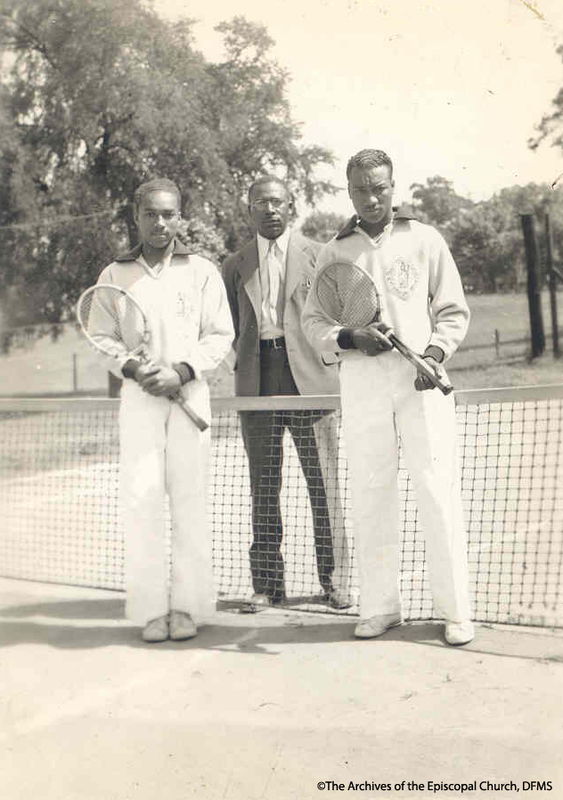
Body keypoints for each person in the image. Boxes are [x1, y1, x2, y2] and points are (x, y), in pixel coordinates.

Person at [302, 149, 474, 646]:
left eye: (379, 187)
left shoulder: (425, 238)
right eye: (361, 189)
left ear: (393, 186)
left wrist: (436, 354)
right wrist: (351, 339)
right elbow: (315, 322)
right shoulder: (336, 251)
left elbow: (452, 309)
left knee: (437, 489)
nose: (371, 197)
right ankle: (381, 607)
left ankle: (457, 611)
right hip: (362, 385)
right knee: (371, 493)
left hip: (421, 381)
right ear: (349, 191)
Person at [95, 178, 233, 642]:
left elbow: (219, 335)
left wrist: (184, 371)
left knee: (190, 502)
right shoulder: (115, 274)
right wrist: (133, 369)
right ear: (136, 217)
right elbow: (102, 337)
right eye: (151, 214)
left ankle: (188, 608)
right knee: (142, 500)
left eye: (169, 214)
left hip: (189, 396)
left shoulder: (202, 271)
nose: (160, 223)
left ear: (181, 217)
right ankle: (151, 611)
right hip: (138, 401)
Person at [222, 176, 350, 611]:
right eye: (261, 202)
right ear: (249, 210)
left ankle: (335, 581)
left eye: (277, 201)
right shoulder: (235, 264)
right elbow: (229, 326)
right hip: (257, 381)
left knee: (323, 485)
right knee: (263, 487)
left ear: (290, 205)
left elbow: (338, 314)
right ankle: (267, 585)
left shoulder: (320, 255)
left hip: (310, 378)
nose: (270, 209)